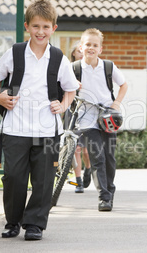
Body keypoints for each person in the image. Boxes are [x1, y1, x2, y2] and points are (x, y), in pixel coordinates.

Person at [0, 0, 79, 240]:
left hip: (48, 128)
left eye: (46, 27)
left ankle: (35, 224)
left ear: (54, 28)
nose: (41, 32)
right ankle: (13, 222)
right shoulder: (15, 53)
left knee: (43, 179)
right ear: (27, 26)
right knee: (14, 177)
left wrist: (63, 104)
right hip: (14, 127)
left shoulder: (60, 58)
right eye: (36, 26)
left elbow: (71, 88)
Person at [76, 28, 128, 211]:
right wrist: (73, 85)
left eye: (95, 45)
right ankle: (103, 197)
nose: (91, 47)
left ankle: (110, 190)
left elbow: (123, 85)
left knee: (109, 158)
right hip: (86, 118)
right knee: (97, 156)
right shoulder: (74, 68)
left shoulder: (108, 67)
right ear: (81, 47)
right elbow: (63, 86)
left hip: (107, 116)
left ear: (100, 49)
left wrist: (116, 104)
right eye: (88, 44)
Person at [69, 41, 92, 193]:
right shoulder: (69, 69)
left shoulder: (90, 69)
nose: (81, 53)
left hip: (86, 111)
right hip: (71, 111)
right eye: (79, 51)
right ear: (74, 54)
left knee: (85, 149)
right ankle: (78, 181)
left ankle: (88, 169)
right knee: (75, 148)